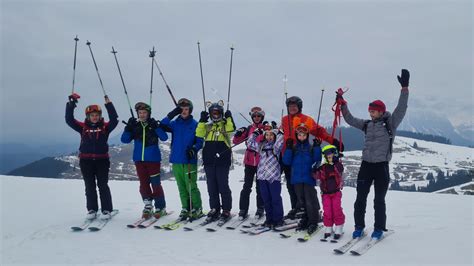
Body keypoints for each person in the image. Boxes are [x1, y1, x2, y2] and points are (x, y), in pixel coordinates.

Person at [339, 69, 410, 240]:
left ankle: (378, 228)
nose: (370, 113)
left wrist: (404, 89)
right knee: (360, 199)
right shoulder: (366, 124)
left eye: (373, 111)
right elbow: (349, 119)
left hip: (381, 167)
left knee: (379, 201)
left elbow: (401, 109)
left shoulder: (390, 123)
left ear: (380, 111)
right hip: (366, 166)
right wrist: (342, 103)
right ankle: (359, 227)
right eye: (370, 110)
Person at [281, 96, 343, 219]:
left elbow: (319, 131)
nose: (292, 108)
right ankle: (297, 207)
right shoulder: (284, 119)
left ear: (299, 107)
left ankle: (313, 210)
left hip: (302, 155)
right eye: (290, 106)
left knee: (307, 188)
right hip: (289, 155)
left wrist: (333, 141)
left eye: (294, 106)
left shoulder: (306, 120)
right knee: (292, 185)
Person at [65, 93, 118, 220]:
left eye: (96, 115)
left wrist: (109, 105)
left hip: (102, 161)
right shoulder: (82, 127)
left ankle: (106, 210)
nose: (94, 117)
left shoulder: (105, 127)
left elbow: (114, 120)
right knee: (89, 186)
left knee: (103, 185)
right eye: (92, 115)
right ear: (88, 117)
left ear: (100, 116)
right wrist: (71, 105)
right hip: (86, 161)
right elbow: (69, 120)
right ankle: (92, 210)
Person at [121, 102, 169, 219]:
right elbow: (124, 140)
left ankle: (160, 207)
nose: (142, 115)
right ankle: (148, 205)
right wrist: (128, 128)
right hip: (139, 160)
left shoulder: (153, 125)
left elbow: (164, 137)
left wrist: (156, 127)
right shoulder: (135, 126)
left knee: (155, 184)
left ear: (148, 113)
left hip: (153, 160)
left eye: (144, 113)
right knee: (143, 184)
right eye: (140, 113)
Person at [160, 98, 204, 221]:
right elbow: (162, 125)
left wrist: (194, 149)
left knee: (191, 186)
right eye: (181, 109)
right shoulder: (174, 123)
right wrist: (172, 114)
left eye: (186, 109)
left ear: (190, 110)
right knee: (181, 187)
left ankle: (197, 208)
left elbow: (200, 141)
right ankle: (185, 208)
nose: (184, 111)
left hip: (189, 160)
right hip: (176, 160)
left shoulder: (195, 124)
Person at [195, 100, 236, 223]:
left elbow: (231, 129)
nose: (215, 115)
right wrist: (202, 120)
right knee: (211, 187)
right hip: (209, 161)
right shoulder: (208, 126)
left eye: (218, 112)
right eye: (213, 113)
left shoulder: (225, 125)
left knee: (223, 186)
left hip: (222, 161)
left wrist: (229, 117)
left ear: (221, 113)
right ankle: (214, 208)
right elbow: (199, 133)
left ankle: (226, 209)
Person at [282, 124, 322, 235]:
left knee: (310, 200)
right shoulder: (294, 149)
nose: (301, 137)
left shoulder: (311, 148)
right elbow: (286, 161)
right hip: (296, 179)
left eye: (304, 135)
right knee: (301, 201)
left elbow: (317, 160)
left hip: (308, 178)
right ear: (296, 136)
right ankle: (305, 219)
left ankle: (313, 221)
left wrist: (317, 147)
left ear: (307, 136)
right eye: (299, 135)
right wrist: (289, 148)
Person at [247, 121, 284, 228]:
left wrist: (280, 132)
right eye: (267, 134)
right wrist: (255, 134)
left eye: (271, 135)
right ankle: (269, 219)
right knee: (266, 199)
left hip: (273, 178)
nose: (269, 137)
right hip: (262, 177)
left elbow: (280, 142)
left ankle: (278, 219)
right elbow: (249, 144)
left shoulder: (275, 147)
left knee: (275, 199)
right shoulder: (261, 146)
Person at [232, 106, 266, 220]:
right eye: (254, 116)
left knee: (260, 186)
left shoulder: (265, 127)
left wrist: (264, 131)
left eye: (258, 116)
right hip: (249, 160)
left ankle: (260, 208)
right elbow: (236, 141)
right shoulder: (248, 128)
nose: (256, 118)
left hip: (261, 161)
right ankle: (243, 209)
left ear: (262, 117)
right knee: (247, 186)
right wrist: (238, 134)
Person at [313, 144, 345, 240]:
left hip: (336, 192)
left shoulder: (337, 165)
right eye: (327, 156)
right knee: (327, 210)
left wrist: (336, 161)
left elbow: (340, 170)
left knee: (336, 209)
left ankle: (339, 226)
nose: (329, 157)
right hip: (325, 193)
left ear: (334, 155)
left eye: (331, 156)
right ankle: (328, 226)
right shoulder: (323, 167)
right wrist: (314, 170)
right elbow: (317, 176)